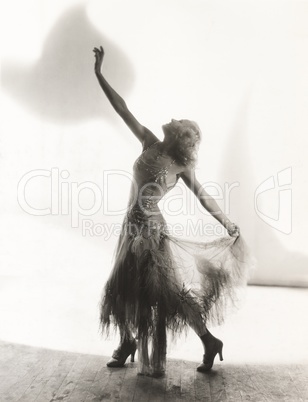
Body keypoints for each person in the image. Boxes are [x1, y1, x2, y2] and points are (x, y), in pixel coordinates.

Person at [93, 46, 253, 377]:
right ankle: (129, 342)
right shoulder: (149, 142)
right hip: (131, 226)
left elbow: (204, 196)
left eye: (180, 122)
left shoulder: (180, 166)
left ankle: (206, 340)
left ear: (180, 137)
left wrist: (226, 221)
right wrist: (99, 74)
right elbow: (123, 110)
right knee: (124, 286)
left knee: (163, 293)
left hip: (150, 232)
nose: (174, 118)